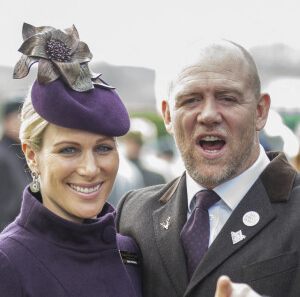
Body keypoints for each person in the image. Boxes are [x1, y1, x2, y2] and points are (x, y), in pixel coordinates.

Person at [116, 39, 300, 297]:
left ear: (260, 111)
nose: (209, 114)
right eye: (191, 100)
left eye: (227, 98)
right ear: (168, 116)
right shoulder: (133, 214)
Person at [0, 23, 142, 296]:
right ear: (32, 156)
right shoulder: (8, 263)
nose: (90, 169)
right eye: (68, 150)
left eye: (103, 148)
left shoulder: (130, 252)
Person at [0, 98, 29, 231]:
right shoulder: (3, 156)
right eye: (19, 117)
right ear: (6, 121)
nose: (25, 123)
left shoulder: (24, 153)